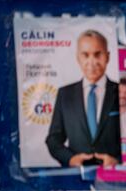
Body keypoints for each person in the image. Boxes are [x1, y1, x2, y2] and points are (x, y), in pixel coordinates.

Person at [45, 29, 121, 168]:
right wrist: (70, 159)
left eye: (98, 54)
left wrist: (118, 161)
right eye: (85, 55)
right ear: (78, 58)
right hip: (75, 176)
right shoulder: (65, 94)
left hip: (114, 177)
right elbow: (53, 139)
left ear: (108, 57)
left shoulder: (120, 91)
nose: (91, 61)